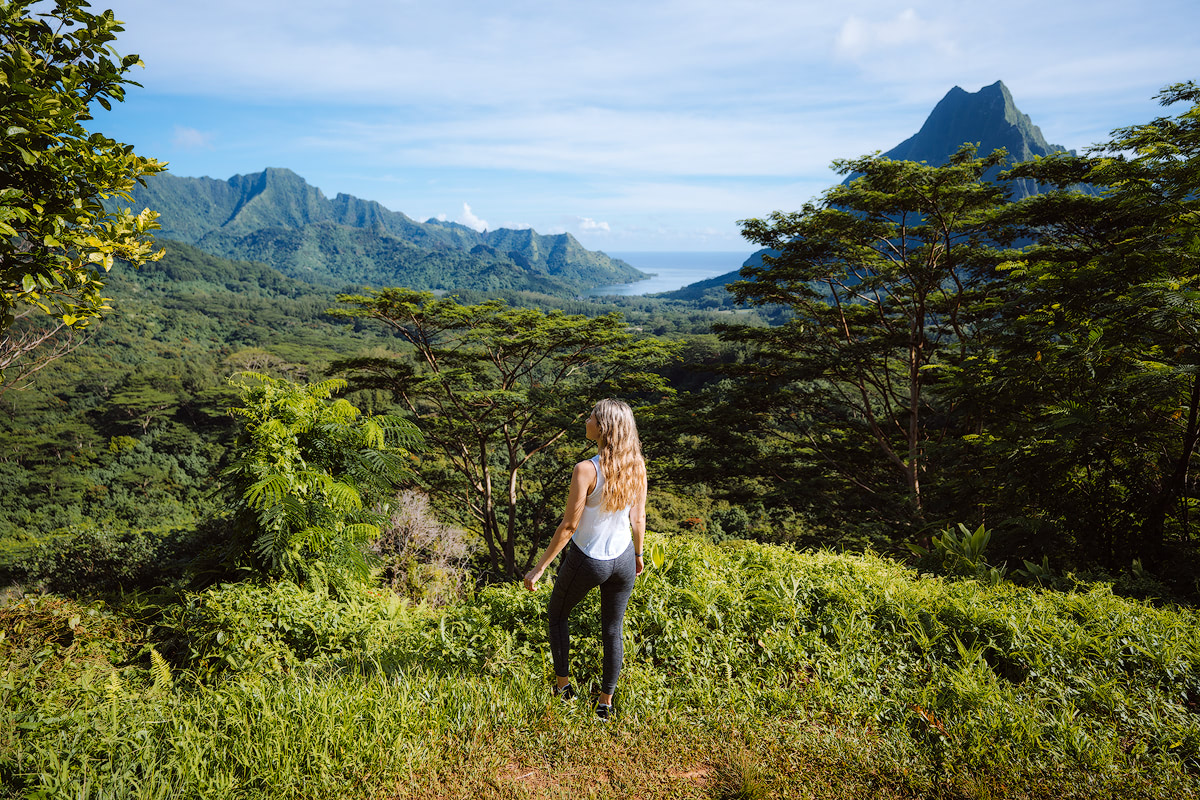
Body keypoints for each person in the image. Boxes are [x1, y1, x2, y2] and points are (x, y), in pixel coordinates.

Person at [523, 398, 647, 720]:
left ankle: (563, 689)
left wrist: (539, 568)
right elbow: (639, 518)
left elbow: (569, 526)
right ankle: (605, 702)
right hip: (622, 560)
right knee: (612, 629)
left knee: (557, 614)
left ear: (603, 427)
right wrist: (638, 554)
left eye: (592, 415)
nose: (587, 418)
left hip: (588, 558)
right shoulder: (637, 466)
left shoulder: (586, 469)